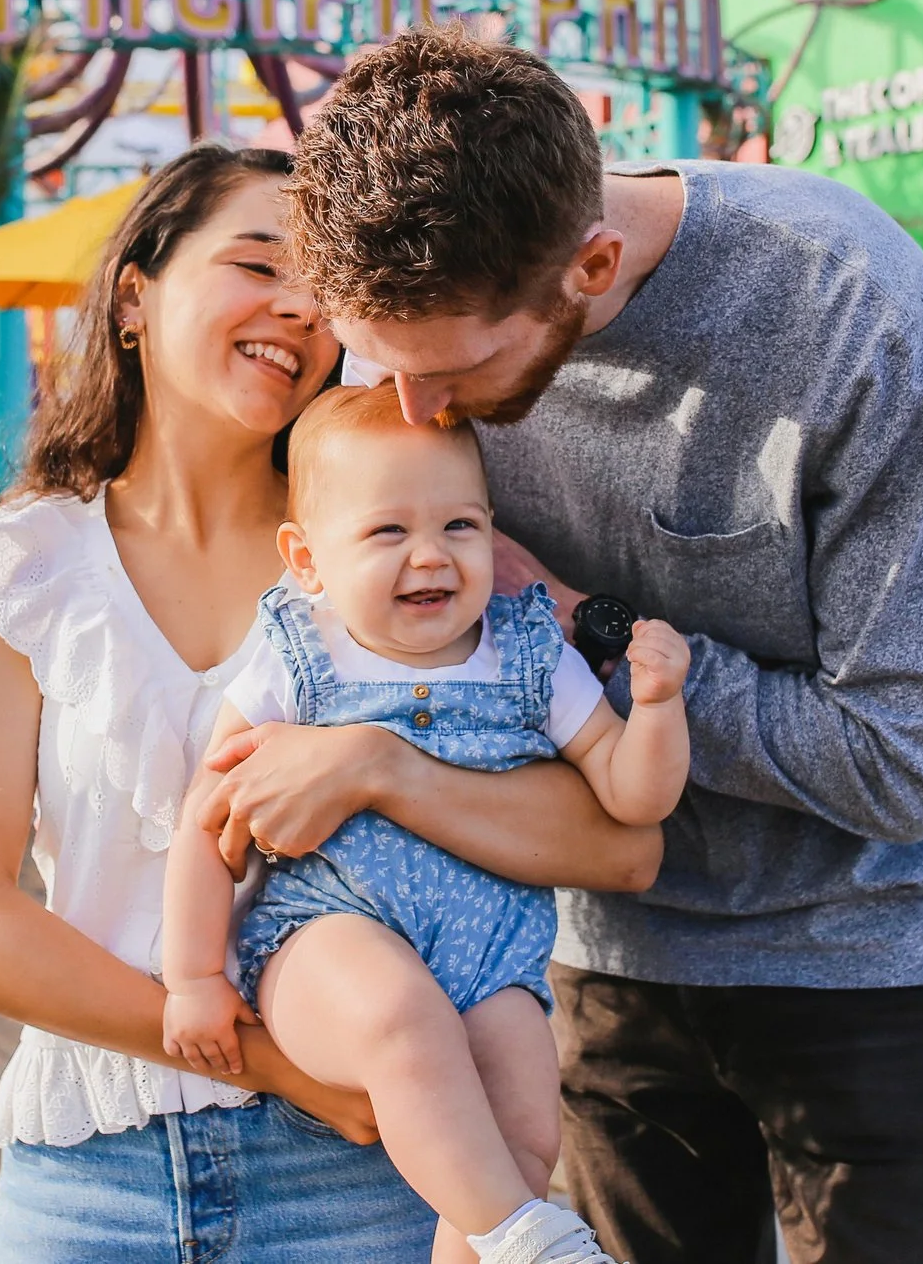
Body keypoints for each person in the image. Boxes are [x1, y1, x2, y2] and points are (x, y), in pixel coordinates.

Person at [197, 27, 923, 1264]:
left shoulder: (851, 307)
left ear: (590, 264)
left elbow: (900, 762)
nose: (417, 413)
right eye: (384, 367)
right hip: (587, 958)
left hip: (872, 957)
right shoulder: (419, 319)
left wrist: (584, 622)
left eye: (454, 370)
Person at [0, 143, 663, 1264]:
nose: (298, 307)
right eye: (258, 265)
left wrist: (383, 767)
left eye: (321, 287)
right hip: (95, 1178)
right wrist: (271, 1061)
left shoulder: (416, 550)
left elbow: (621, 845)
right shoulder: (22, 566)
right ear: (133, 296)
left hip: (375, 1176)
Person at [161, 384, 692, 1264]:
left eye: (459, 526)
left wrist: (660, 707)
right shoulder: (300, 659)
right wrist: (192, 975)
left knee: (523, 1138)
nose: (431, 555)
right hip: (328, 936)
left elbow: (634, 798)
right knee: (400, 1013)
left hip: (490, 959)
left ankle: (513, 1232)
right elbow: (207, 820)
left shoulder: (529, 655)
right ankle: (540, 1241)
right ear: (308, 560)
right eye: (388, 531)